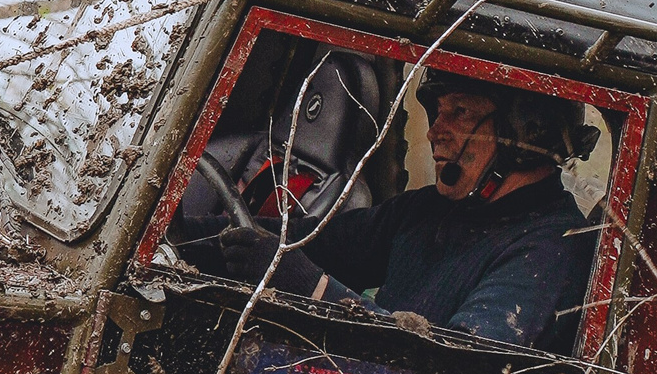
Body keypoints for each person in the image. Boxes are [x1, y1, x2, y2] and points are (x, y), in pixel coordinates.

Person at [173, 74, 600, 353]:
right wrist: (181, 235)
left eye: (461, 112)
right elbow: (311, 240)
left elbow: (458, 368)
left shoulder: (553, 250)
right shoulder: (428, 211)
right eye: (438, 113)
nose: (435, 130)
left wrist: (312, 287)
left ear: (525, 132)